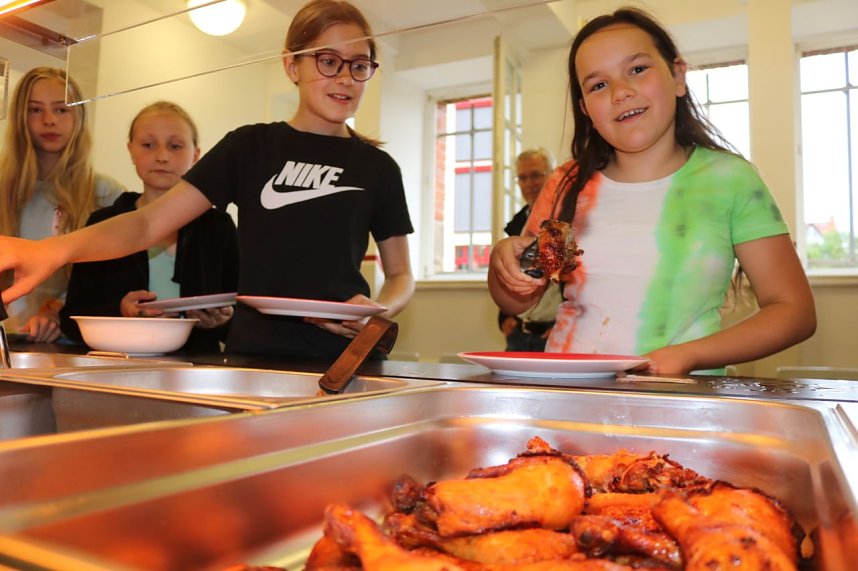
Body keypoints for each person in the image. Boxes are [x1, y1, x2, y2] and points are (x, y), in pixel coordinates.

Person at [0, 0, 414, 360]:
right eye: (328, 61)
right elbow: (147, 223)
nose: (344, 77)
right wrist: (53, 251)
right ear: (292, 64)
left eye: (359, 65)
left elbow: (400, 275)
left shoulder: (379, 168)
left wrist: (376, 311)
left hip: (347, 357)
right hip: (256, 356)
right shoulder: (249, 147)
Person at [487, 7, 816, 375]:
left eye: (637, 69)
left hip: (680, 405)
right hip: (571, 393)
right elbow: (518, 300)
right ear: (586, 110)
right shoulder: (567, 183)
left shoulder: (731, 180)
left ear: (677, 76)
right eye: (598, 85)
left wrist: (689, 355)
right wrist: (504, 262)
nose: (621, 92)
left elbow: (794, 311)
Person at [59, 102, 239, 354]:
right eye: (148, 144)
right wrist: (120, 311)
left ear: (196, 155)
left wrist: (222, 322)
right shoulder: (104, 224)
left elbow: (243, 314)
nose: (162, 156)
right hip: (116, 367)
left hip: (197, 370)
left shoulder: (219, 228)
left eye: (175, 146)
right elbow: (71, 319)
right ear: (130, 150)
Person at [0, 67, 124, 343]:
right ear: (20, 117)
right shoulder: (2, 190)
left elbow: (112, 284)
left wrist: (57, 313)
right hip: (8, 342)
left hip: (77, 346)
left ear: (78, 116)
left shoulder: (107, 195)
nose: (48, 121)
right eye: (35, 110)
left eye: (61, 110)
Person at [498, 148, 562, 351]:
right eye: (522, 178)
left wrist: (565, 324)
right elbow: (509, 276)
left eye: (536, 175)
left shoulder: (569, 217)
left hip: (556, 332)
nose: (529, 184)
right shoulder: (515, 225)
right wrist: (505, 316)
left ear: (553, 175)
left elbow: (580, 276)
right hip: (519, 334)